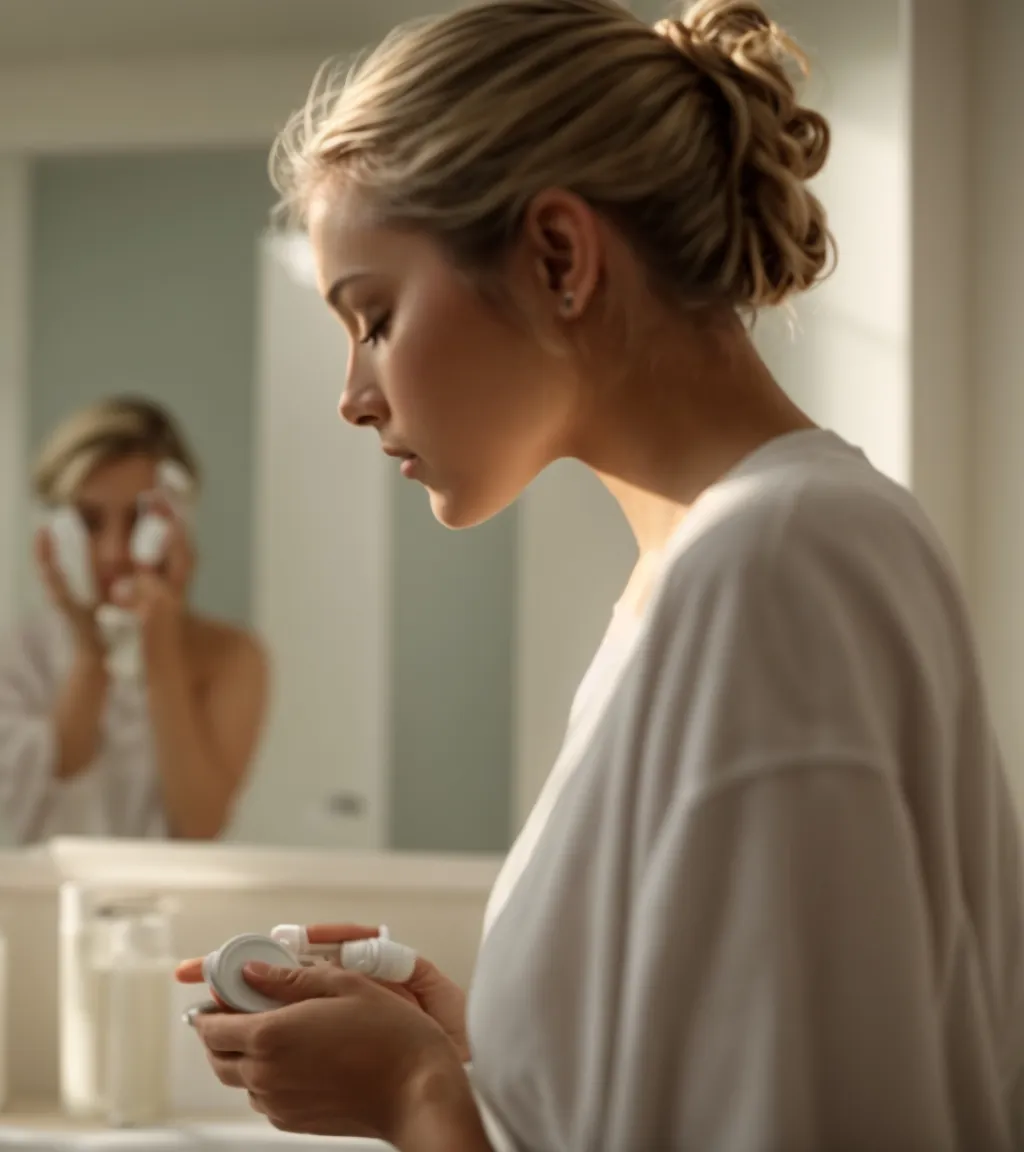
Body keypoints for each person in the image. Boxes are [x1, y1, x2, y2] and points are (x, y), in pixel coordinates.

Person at [178, 0, 1024, 1148]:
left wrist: (414, 1096)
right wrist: (483, 1059)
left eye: (372, 315)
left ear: (558, 257)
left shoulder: (768, 571)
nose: (352, 393)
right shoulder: (720, 567)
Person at [0, 396, 269, 843]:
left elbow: (199, 823)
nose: (114, 552)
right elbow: (43, 793)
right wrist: (92, 651)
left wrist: (161, 643)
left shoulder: (233, 658)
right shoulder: (17, 658)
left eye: (138, 520)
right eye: (91, 523)